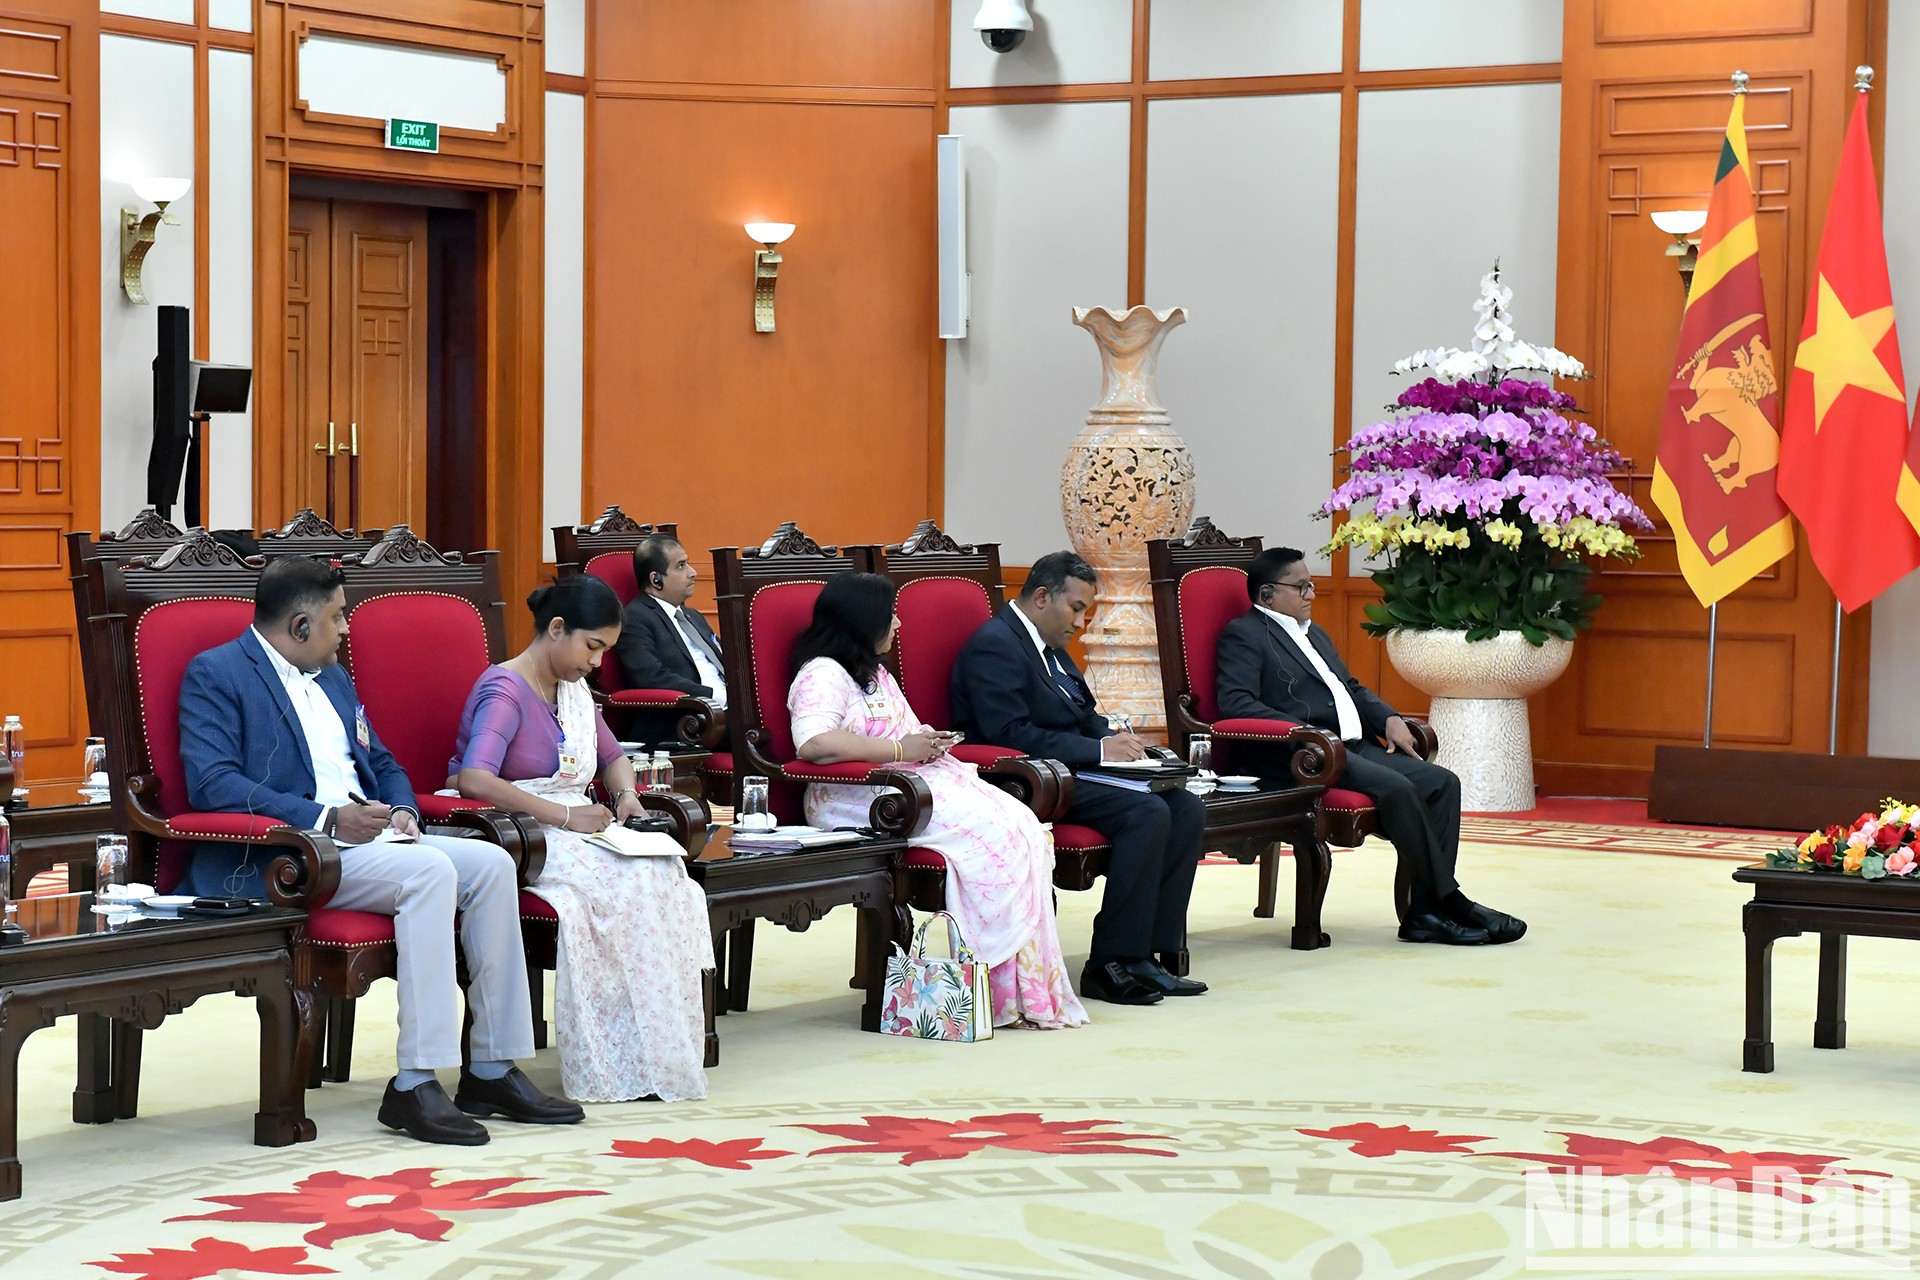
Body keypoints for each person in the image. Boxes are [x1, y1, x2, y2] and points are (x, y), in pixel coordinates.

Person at [179, 556, 582, 1146]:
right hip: (290, 855)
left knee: (494, 866)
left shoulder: (334, 677)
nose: (347, 630)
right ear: (299, 625)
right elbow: (211, 783)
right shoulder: (216, 674)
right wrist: (327, 817)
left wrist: (401, 811)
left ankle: (491, 1068)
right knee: (428, 874)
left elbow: (383, 763)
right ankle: (415, 1084)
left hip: (371, 839)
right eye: (339, 617)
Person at [451, 574, 710, 1103]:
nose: (596, 663)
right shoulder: (505, 689)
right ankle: (608, 1057)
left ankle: (650, 1051)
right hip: (520, 831)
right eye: (592, 647)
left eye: (605, 652)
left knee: (664, 874)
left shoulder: (573, 692)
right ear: (556, 628)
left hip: (575, 823)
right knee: (628, 886)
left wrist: (627, 799)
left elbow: (612, 758)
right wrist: (565, 817)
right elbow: (474, 780)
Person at [788, 573, 1087, 1030]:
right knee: (992, 834)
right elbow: (814, 744)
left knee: (1021, 824)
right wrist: (900, 751)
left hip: (907, 785)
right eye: (890, 614)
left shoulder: (875, 674)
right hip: (857, 797)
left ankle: (1023, 987)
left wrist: (926, 741)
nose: (899, 623)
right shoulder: (823, 672)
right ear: (862, 619)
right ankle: (992, 986)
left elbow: (902, 732)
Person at [1214, 546, 1526, 946]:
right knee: (1398, 789)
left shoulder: (1313, 633)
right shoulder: (1245, 634)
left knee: (1442, 783)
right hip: (1306, 755)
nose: (1311, 594)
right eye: (1302, 587)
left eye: (1312, 585)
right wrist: (1306, 732)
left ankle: (1426, 912)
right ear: (1267, 595)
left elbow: (1351, 689)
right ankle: (1451, 903)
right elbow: (1237, 702)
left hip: (1351, 745)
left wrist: (1390, 719)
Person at [950, 551, 1207, 1007]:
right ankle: (1110, 963)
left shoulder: (1051, 648)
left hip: (1071, 769)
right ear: (1044, 597)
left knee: (1184, 805)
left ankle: (1149, 956)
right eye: (1077, 608)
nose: (1081, 622)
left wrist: (1123, 744)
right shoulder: (996, 644)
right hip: (1023, 781)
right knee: (1145, 812)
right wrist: (1097, 750)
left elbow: (1083, 715)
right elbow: (1006, 734)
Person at [612, 535, 727, 743]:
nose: (693, 573)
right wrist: (715, 698)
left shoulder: (693, 616)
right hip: (685, 723)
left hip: (726, 714)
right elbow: (652, 677)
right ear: (656, 579)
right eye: (681, 566)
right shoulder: (635, 617)